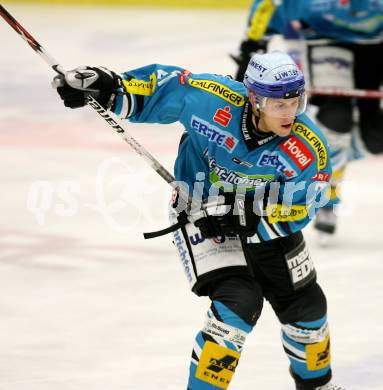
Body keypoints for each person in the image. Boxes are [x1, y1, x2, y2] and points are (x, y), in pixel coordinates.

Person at [52, 51, 346, 389]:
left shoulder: (310, 149)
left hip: (264, 218)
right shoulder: (213, 98)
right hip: (200, 210)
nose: (290, 113)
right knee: (238, 303)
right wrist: (107, 86)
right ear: (254, 98)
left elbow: (305, 205)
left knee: (306, 304)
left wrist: (252, 217)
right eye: (279, 104)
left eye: (296, 102)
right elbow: (162, 88)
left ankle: (318, 386)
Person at [232, 0, 383, 239]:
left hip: (377, 44)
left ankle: (337, 154)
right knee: (337, 118)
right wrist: (252, 45)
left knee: (376, 138)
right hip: (326, 41)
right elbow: (268, 6)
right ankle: (329, 186)